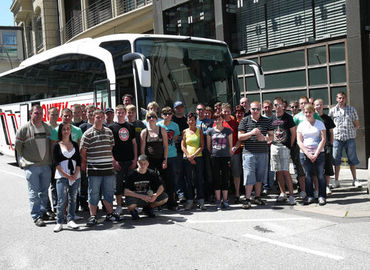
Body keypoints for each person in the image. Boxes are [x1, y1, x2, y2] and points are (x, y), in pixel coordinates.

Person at [80, 109, 121, 226]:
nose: (99, 119)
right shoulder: (87, 133)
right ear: (93, 118)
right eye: (97, 117)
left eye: (101, 117)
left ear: (104, 118)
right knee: (93, 193)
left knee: (108, 192)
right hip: (94, 169)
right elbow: (83, 151)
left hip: (108, 168)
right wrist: (89, 161)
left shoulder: (109, 132)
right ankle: (93, 216)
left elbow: (110, 147)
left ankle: (109, 214)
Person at [15, 105, 53, 227]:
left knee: (44, 191)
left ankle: (43, 212)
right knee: (34, 193)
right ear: (31, 114)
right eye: (36, 113)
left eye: (41, 113)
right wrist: (23, 161)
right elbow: (18, 147)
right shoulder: (24, 129)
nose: (38, 116)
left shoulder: (47, 128)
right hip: (32, 166)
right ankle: (36, 216)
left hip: (46, 165)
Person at [238, 101, 273, 209]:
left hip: (262, 153)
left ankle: (257, 197)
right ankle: (247, 199)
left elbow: (272, 136)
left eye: (258, 109)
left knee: (259, 176)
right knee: (249, 175)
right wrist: (251, 133)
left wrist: (264, 138)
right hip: (249, 153)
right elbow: (240, 137)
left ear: (261, 109)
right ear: (250, 110)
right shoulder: (245, 120)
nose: (255, 111)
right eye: (253, 109)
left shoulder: (266, 121)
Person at [109, 104, 137, 216]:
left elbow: (134, 144)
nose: (120, 114)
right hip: (118, 161)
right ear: (116, 114)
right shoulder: (111, 128)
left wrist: (135, 159)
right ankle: (119, 206)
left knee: (130, 184)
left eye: (122, 112)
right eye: (118, 113)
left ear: (125, 113)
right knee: (118, 185)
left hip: (130, 160)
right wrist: (113, 160)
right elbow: (110, 146)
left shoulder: (130, 126)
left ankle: (132, 206)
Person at [52, 123, 81, 232]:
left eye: (68, 129)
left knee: (73, 198)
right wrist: (66, 175)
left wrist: (75, 174)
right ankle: (59, 222)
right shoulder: (56, 145)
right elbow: (56, 163)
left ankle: (71, 220)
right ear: (61, 131)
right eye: (64, 129)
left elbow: (78, 160)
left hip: (75, 176)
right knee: (61, 200)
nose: (66, 131)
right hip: (62, 176)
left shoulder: (75, 144)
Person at [328, 92, 361, 188]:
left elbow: (357, 124)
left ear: (345, 99)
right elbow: (329, 125)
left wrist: (351, 131)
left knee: (352, 159)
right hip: (337, 138)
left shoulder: (351, 109)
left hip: (349, 138)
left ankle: (355, 179)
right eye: (339, 98)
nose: (341, 100)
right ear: (336, 99)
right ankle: (336, 181)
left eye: (343, 98)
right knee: (336, 159)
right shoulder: (332, 111)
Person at [297, 104, 327, 205]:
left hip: (319, 153)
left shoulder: (319, 124)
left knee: (320, 175)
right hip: (305, 154)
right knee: (308, 176)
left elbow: (323, 139)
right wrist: (308, 154)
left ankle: (321, 196)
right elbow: (299, 141)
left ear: (313, 112)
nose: (308, 114)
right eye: (305, 112)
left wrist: (316, 153)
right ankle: (310, 196)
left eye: (309, 112)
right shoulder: (301, 125)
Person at [124, 155, 168, 220]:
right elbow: (126, 192)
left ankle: (148, 208)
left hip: (148, 196)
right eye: (140, 163)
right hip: (136, 196)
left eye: (145, 163)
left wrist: (155, 195)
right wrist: (141, 196)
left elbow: (161, 187)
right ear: (137, 163)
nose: (142, 165)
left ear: (148, 164)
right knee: (131, 205)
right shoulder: (131, 174)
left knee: (164, 198)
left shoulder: (152, 173)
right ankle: (133, 211)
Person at [271, 97, 296, 205]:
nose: (278, 107)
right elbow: (270, 133)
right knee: (278, 171)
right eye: (276, 105)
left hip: (284, 147)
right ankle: (282, 193)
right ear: (274, 106)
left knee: (286, 171)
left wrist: (289, 145)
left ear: (283, 106)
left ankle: (291, 195)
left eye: (280, 105)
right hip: (274, 147)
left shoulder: (288, 117)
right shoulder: (271, 118)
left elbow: (293, 133)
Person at [207, 113, 233, 209]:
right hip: (215, 157)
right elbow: (209, 146)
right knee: (216, 178)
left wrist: (229, 154)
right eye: (216, 119)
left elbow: (230, 145)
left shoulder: (228, 131)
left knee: (225, 178)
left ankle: (225, 200)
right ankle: (218, 200)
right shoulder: (210, 131)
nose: (218, 121)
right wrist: (213, 154)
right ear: (214, 120)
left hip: (225, 156)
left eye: (219, 119)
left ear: (223, 120)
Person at [157, 107, 180, 210]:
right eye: (165, 113)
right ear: (161, 115)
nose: (167, 115)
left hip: (172, 155)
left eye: (169, 113)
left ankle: (172, 201)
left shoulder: (175, 126)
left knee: (173, 180)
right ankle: (162, 201)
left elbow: (175, 139)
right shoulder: (158, 125)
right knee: (162, 180)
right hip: (161, 156)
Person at [182, 112, 206, 210]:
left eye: (193, 120)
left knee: (199, 179)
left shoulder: (199, 131)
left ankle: (201, 200)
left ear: (196, 121)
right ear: (187, 121)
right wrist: (189, 156)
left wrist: (194, 156)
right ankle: (190, 200)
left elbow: (202, 146)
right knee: (188, 180)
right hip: (187, 158)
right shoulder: (185, 131)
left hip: (198, 158)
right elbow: (183, 145)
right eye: (189, 120)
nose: (191, 121)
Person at [314, 99, 335, 195]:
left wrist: (330, 144)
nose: (318, 107)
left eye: (320, 105)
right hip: (315, 146)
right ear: (314, 106)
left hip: (326, 146)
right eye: (316, 105)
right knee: (317, 168)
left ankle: (326, 186)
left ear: (323, 106)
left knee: (327, 166)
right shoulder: (312, 118)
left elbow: (331, 132)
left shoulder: (327, 118)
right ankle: (317, 187)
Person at [196, 103, 214, 202]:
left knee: (208, 173)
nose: (200, 111)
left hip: (207, 150)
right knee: (198, 174)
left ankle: (210, 194)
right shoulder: (194, 122)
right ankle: (200, 195)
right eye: (199, 110)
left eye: (202, 110)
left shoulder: (210, 122)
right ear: (196, 111)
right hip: (196, 151)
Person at [172, 101, 188, 201]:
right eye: (177, 107)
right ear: (174, 109)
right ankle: (180, 194)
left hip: (187, 150)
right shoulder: (172, 120)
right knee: (177, 173)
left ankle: (187, 193)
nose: (179, 109)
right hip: (176, 150)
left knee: (187, 173)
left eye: (181, 107)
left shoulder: (187, 120)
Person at [232, 105, 245, 202]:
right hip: (236, 150)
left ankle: (245, 191)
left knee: (245, 172)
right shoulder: (234, 123)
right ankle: (237, 191)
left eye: (240, 112)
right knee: (237, 172)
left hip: (246, 150)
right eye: (237, 112)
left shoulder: (247, 122)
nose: (239, 114)